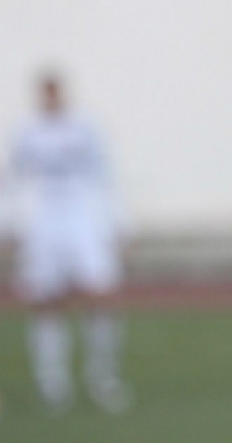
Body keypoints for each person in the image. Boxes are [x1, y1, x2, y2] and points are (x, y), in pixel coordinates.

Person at [4, 73, 132, 414]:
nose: (51, 98)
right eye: (45, 93)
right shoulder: (27, 131)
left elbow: (106, 175)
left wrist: (119, 224)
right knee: (45, 300)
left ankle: (103, 375)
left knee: (99, 294)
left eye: (55, 92)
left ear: (63, 93)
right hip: (43, 222)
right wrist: (7, 228)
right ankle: (52, 382)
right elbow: (12, 180)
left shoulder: (85, 127)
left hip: (83, 219)